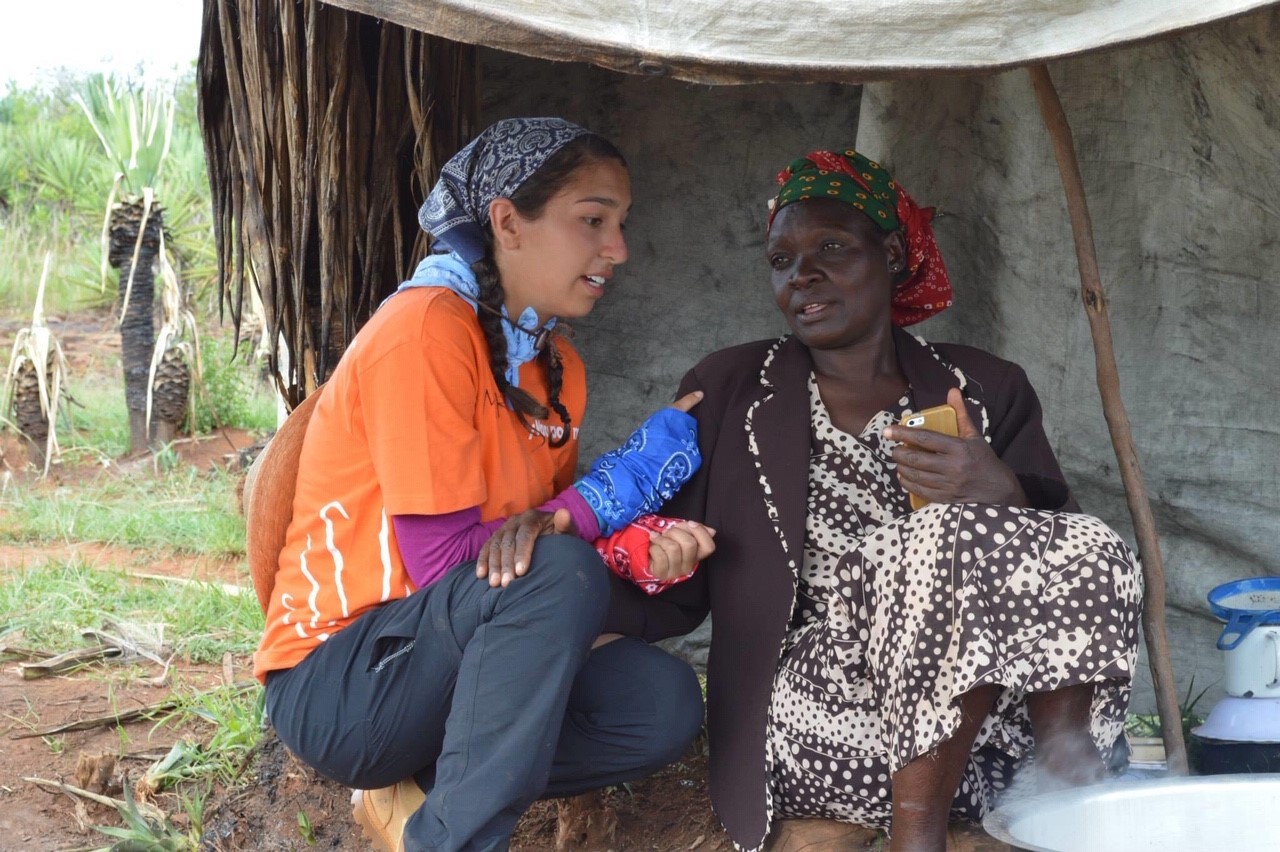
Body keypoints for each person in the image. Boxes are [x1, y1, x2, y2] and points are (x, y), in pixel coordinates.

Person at [604, 149, 1144, 852]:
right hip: (830, 718)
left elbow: (1061, 575)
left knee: (1091, 538)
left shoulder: (984, 386)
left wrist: (1001, 491)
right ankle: (914, 840)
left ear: (891, 253)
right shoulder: (735, 388)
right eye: (782, 260)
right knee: (937, 541)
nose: (803, 274)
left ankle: (1068, 773)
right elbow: (668, 565)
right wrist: (599, 604)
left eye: (831, 247)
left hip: (989, 737)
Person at [254, 117, 713, 852]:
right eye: (593, 219)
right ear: (507, 222)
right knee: (556, 569)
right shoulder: (425, 328)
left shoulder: (559, 368)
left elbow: (526, 546)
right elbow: (457, 566)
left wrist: (641, 543)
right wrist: (606, 498)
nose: (618, 249)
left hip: (448, 665)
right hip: (344, 682)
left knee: (657, 706)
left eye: (622, 224)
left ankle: (426, 800)